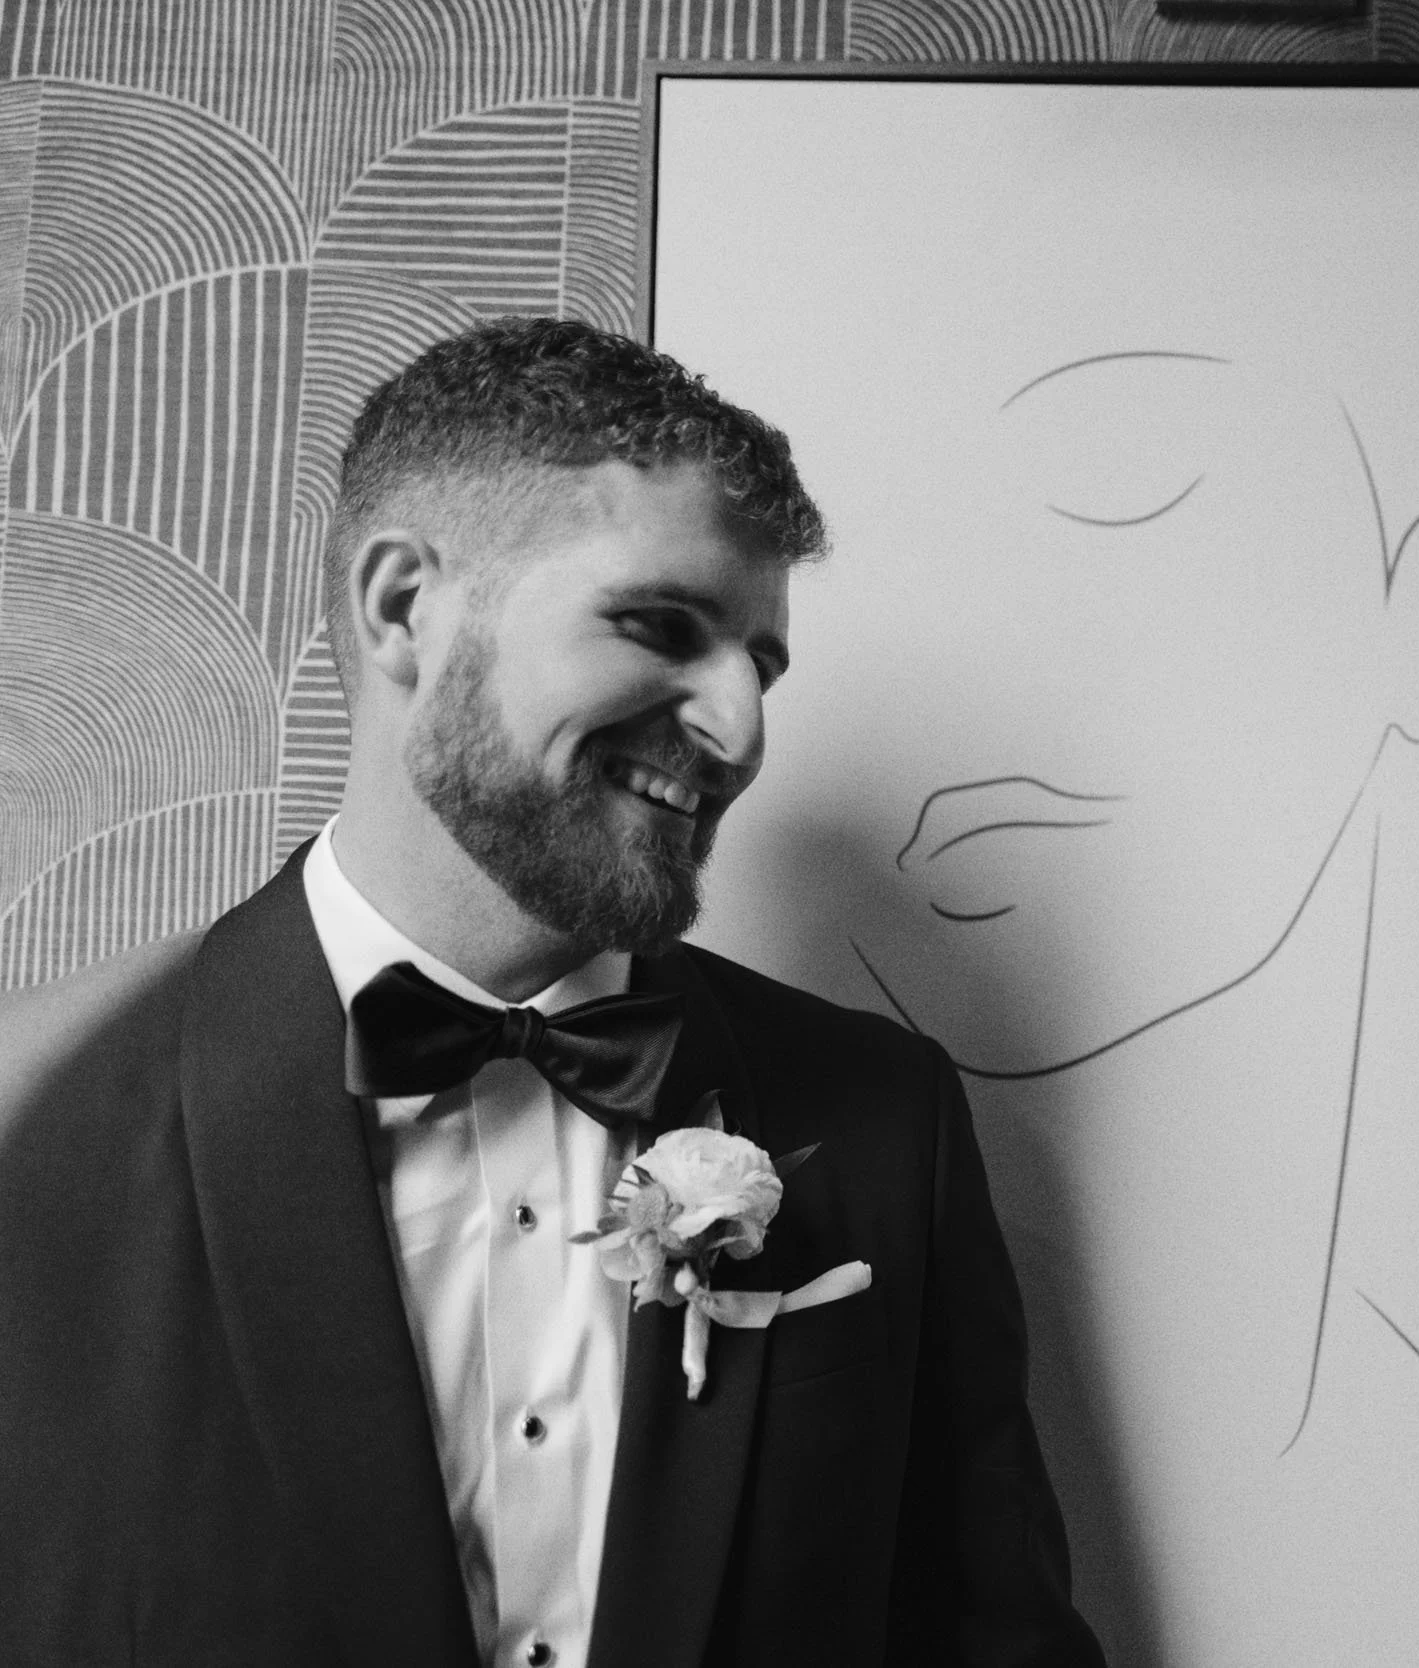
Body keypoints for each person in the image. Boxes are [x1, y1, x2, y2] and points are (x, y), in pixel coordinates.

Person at [0, 317, 1105, 1667]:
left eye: (759, 663)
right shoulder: (29, 1114)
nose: (742, 731)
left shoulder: (884, 1121)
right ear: (405, 607)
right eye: (661, 625)